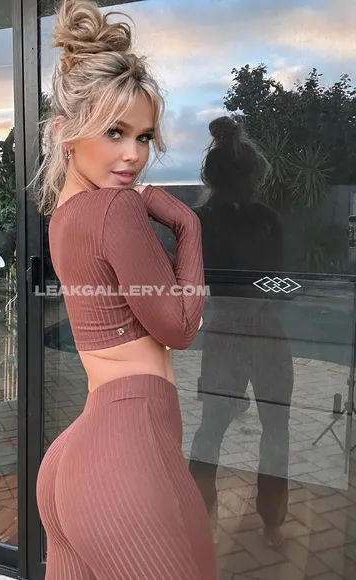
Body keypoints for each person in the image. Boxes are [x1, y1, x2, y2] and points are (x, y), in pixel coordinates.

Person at [34, 1, 217, 579]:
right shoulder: (115, 209)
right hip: (126, 451)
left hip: (75, 457)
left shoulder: (63, 216)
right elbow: (180, 328)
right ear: (65, 134)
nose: (134, 154)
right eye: (115, 132)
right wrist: (188, 225)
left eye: (143, 136)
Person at [188, 116, 294, 547]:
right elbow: (282, 283)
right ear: (253, 177)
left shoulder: (196, 221)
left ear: (211, 177)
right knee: (276, 425)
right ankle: (272, 523)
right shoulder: (267, 219)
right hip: (266, 330)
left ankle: (198, 519)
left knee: (210, 427)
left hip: (222, 331)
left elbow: (190, 280)